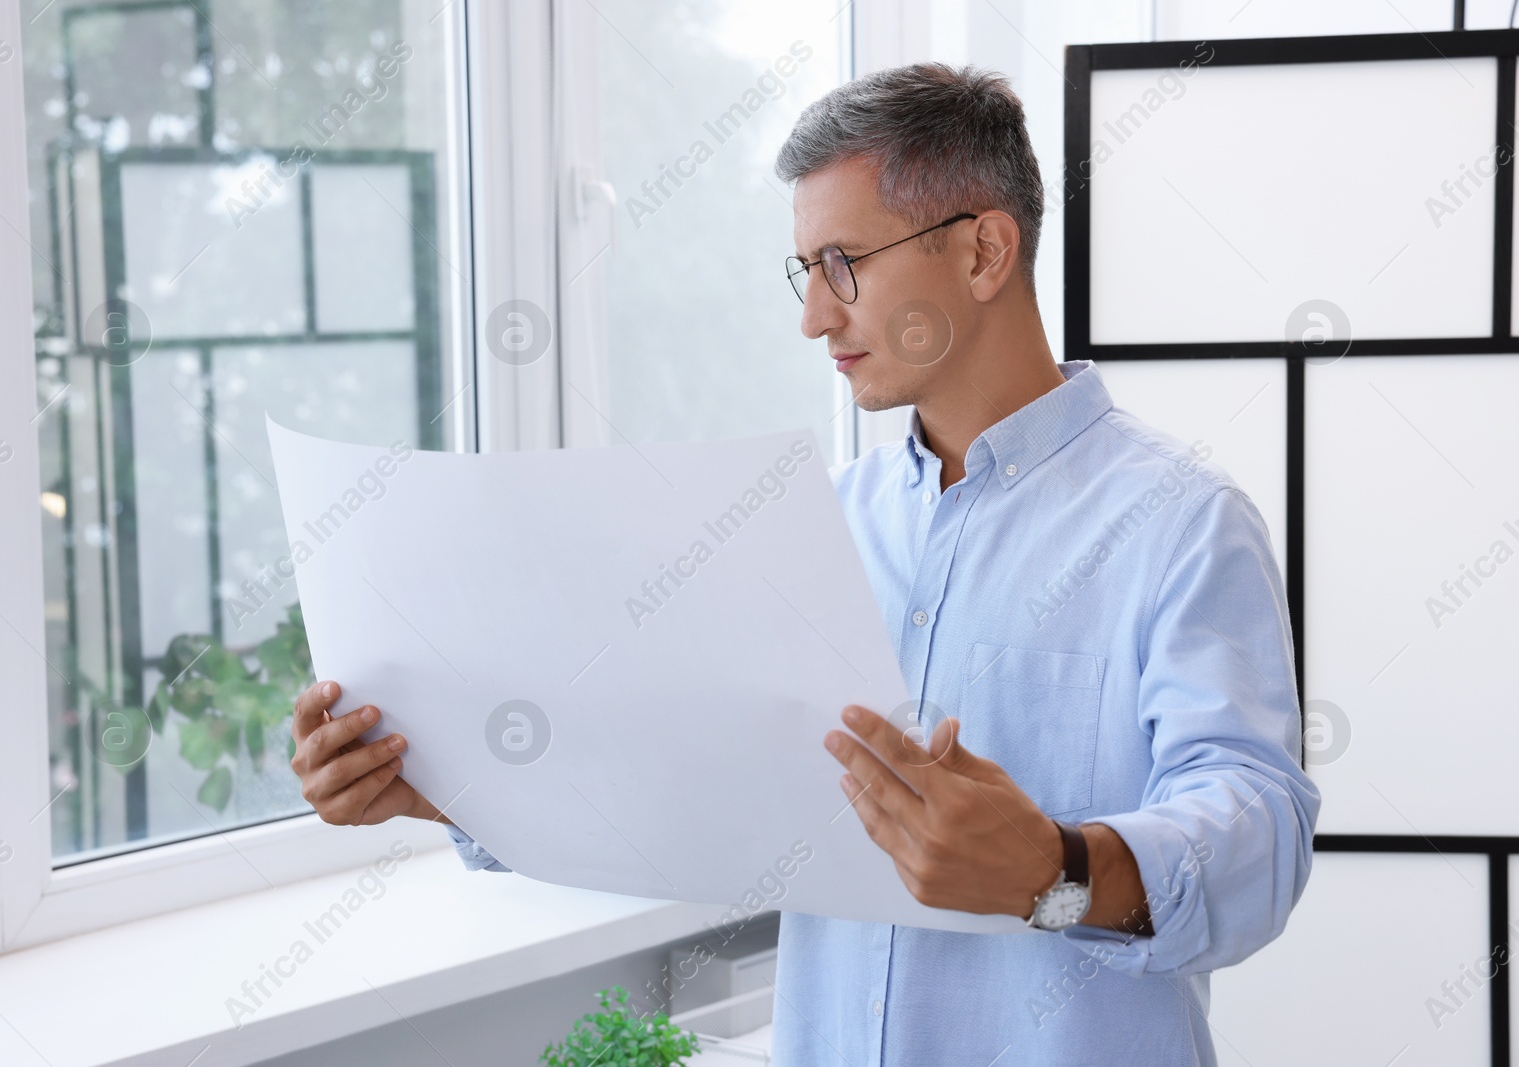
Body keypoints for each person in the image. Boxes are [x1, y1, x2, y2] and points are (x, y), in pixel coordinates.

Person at [289, 62, 1319, 1066]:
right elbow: (680, 791)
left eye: (843, 265)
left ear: (983, 253)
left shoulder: (1181, 521)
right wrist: (451, 785)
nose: (814, 316)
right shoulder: (817, 521)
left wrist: (1055, 867)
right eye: (805, 271)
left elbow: (1258, 834)